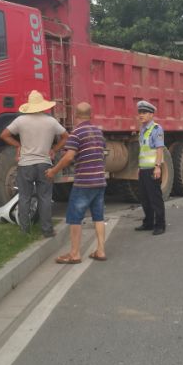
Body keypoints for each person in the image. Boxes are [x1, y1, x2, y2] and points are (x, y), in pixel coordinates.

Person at [1, 90, 68, 238]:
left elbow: (4, 135)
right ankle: (47, 230)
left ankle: (25, 231)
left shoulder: (21, 121)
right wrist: (54, 150)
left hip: (25, 164)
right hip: (44, 163)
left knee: (24, 197)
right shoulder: (50, 121)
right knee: (44, 197)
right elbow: (65, 136)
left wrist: (18, 145)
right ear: (43, 105)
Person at [46, 102, 107, 264]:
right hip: (100, 181)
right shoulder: (98, 132)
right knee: (98, 217)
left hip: (84, 183)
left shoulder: (76, 133)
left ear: (75, 115)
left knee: (75, 218)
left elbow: (68, 157)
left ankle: (74, 254)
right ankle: (100, 250)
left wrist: (53, 171)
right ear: (91, 115)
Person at [134, 100, 166, 235]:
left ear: (151, 115)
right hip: (143, 169)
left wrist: (157, 167)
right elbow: (143, 151)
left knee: (155, 198)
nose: (141, 115)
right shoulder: (142, 130)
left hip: (153, 169)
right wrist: (139, 167)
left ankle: (160, 225)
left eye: (144, 112)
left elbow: (159, 149)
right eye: (140, 112)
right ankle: (148, 223)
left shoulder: (156, 129)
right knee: (144, 198)